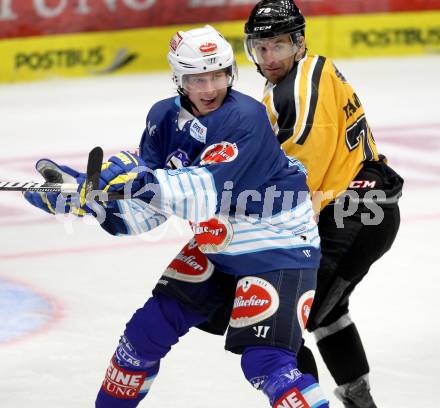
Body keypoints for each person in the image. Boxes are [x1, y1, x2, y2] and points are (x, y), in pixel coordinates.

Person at [24, 25, 330, 408]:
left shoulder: (244, 118)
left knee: (265, 362)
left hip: (277, 245)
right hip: (217, 241)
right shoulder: (162, 120)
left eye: (218, 74)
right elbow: (148, 213)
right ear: (178, 78)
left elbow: (200, 192)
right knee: (143, 333)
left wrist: (140, 179)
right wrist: (89, 202)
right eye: (197, 78)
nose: (209, 88)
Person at [243, 1, 404, 407]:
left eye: (277, 46)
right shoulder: (309, 70)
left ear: (299, 43)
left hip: (355, 212)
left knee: (284, 325)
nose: (268, 57)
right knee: (327, 311)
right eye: (259, 48)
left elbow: (300, 170)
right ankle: (359, 397)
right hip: (364, 207)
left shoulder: (298, 86)